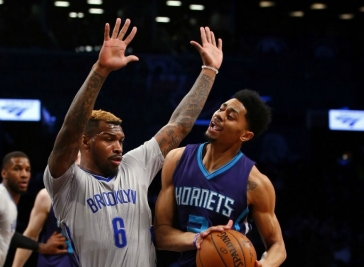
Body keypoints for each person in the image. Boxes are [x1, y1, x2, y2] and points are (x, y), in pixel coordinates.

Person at [43, 18, 223, 266]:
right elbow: (70, 131)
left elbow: (178, 126)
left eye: (121, 139)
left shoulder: (134, 165)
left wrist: (209, 71)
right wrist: (100, 70)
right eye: (108, 139)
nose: (118, 146)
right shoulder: (67, 183)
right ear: (85, 142)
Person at [153, 89, 287, 267]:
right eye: (221, 108)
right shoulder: (176, 159)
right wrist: (198, 239)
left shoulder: (255, 183)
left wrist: (265, 265)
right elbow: (161, 236)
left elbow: (277, 246)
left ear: (245, 135)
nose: (219, 115)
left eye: (231, 116)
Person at [0, 151, 68, 267]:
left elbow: (7, 233)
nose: (24, 174)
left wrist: (41, 247)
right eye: (17, 169)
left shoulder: (9, 202)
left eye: (27, 170)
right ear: (4, 173)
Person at [12, 153, 81, 267]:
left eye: (81, 158)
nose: (78, 163)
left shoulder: (99, 195)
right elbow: (31, 235)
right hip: (55, 262)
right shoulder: (46, 196)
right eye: (74, 158)